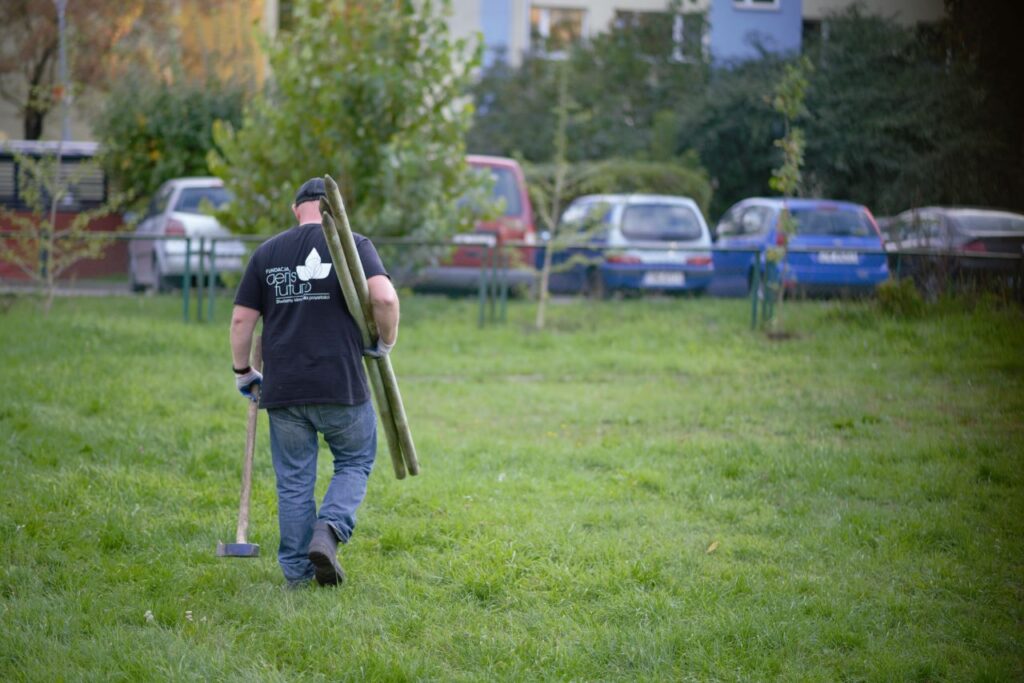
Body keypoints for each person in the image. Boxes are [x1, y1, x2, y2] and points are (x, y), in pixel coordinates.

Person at [229, 177, 399, 588]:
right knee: (356, 460)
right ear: (334, 208)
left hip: (284, 388)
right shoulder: (354, 246)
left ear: (296, 209)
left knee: (293, 481)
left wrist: (243, 372)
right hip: (341, 383)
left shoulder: (267, 253)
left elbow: (241, 320)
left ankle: (297, 575)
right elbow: (386, 299)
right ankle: (330, 529)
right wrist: (385, 341)